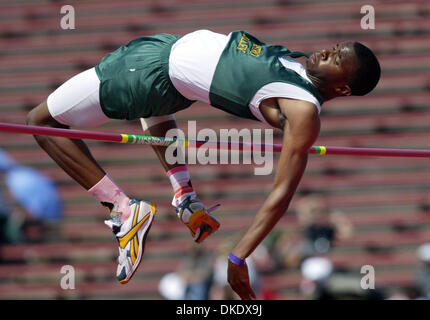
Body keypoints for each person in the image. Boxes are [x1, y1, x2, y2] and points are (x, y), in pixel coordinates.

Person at [25, 29, 381, 298]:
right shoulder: (297, 70)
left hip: (149, 71)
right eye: (335, 47)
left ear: (344, 88)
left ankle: (123, 208)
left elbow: (282, 193)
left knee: (41, 121)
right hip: (163, 65)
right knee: (154, 110)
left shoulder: (302, 109)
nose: (326, 51)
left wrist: (239, 257)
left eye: (336, 58)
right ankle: (184, 197)